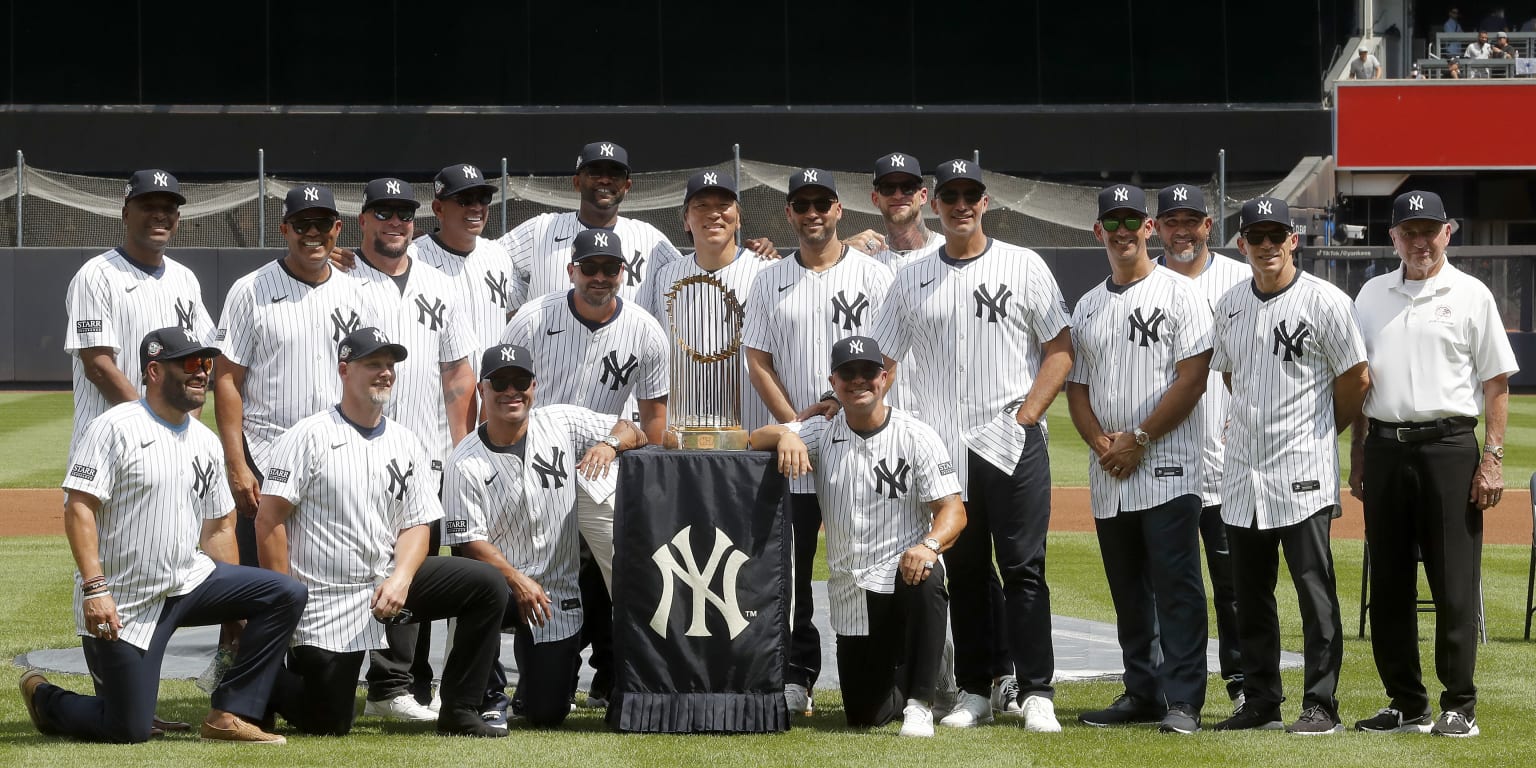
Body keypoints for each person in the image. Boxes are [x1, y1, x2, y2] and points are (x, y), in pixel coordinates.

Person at [21, 327, 306, 745]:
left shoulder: (205, 441)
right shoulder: (113, 428)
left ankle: (229, 712)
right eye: (190, 364)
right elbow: (79, 508)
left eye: (206, 364)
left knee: (285, 593)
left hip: (189, 582)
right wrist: (95, 588)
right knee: (128, 728)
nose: (202, 373)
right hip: (125, 599)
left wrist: (233, 611)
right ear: (154, 371)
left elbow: (220, 526)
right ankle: (45, 698)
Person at [871, 159, 1073, 732]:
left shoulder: (1022, 264)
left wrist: (1028, 415)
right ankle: (976, 691)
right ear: (936, 202)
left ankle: (1036, 691)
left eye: (972, 195)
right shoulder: (909, 279)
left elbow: (1059, 347)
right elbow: (883, 362)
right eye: (952, 195)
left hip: (1009, 441)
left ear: (986, 202)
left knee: (1023, 569)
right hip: (943, 449)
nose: (962, 204)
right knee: (964, 570)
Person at [254, 327, 508, 738]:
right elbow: (269, 520)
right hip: (325, 596)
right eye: (373, 364)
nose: (385, 373)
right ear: (343, 370)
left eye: (389, 365)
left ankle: (461, 709)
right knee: (329, 723)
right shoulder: (307, 435)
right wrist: (285, 603)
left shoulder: (405, 440)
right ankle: (251, 673)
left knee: (486, 585)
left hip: (386, 582)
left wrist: (402, 579)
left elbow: (418, 524)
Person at [1349, 191, 1517, 738]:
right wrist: (1357, 457)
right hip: (1386, 447)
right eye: (1407, 231)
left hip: (1449, 446)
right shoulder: (1371, 295)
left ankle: (1459, 705)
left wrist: (1491, 460)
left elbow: (1495, 384)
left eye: (1429, 230)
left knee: (1453, 581)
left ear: (1449, 231)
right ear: (1392, 237)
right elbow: (1359, 384)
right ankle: (1406, 701)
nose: (1419, 241)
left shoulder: (1471, 294)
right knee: (1391, 582)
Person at [1208, 197, 1370, 735]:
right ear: (1243, 244)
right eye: (1258, 236)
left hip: (1302, 471)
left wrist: (1320, 433)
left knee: (1313, 591)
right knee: (1247, 596)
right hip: (1241, 477)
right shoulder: (1229, 304)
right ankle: (1260, 700)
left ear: (1294, 240)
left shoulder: (1326, 301)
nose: (1268, 244)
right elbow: (1231, 377)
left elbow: (1356, 382)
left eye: (1278, 234)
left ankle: (1320, 703)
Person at [749, 335, 965, 738]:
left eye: (868, 372)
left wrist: (929, 544)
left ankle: (921, 701)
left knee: (928, 575)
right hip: (852, 590)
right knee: (865, 715)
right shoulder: (821, 431)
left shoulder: (916, 435)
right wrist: (787, 434)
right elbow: (754, 438)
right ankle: (927, 667)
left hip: (904, 573)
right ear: (834, 381)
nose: (858, 381)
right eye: (848, 373)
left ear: (884, 378)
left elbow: (953, 509)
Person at [742, 168, 896, 716]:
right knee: (794, 566)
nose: (812, 213)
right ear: (789, 213)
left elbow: (892, 356)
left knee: (875, 554)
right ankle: (798, 674)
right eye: (801, 204)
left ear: (838, 210)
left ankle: (892, 666)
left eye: (822, 203)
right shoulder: (769, 280)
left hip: (863, 439)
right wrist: (794, 427)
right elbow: (757, 359)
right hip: (797, 448)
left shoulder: (875, 276)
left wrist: (862, 411)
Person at [498, 228, 669, 709]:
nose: (599, 277)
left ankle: (623, 682)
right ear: (571, 269)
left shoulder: (644, 328)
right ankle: (535, 683)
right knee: (547, 576)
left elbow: (653, 422)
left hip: (607, 464)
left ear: (623, 273)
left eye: (609, 269)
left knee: (622, 578)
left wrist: (626, 459)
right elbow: (500, 394)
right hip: (537, 467)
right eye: (589, 268)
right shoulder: (533, 318)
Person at [1067, 185, 1212, 735]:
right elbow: (1076, 389)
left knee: (1176, 588)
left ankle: (1184, 700)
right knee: (1129, 592)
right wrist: (1104, 444)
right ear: (1099, 232)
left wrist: (1140, 438)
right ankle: (1142, 691)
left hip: (1169, 465)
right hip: (1110, 475)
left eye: (1133, 221)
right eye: (1113, 222)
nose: (1124, 231)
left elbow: (1192, 379)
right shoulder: (1087, 305)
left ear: (1148, 229)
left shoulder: (1181, 293)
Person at [444, 344, 648, 728]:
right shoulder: (463, 460)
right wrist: (517, 581)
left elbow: (633, 430)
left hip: (557, 591)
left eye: (520, 381)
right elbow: (468, 540)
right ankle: (488, 696)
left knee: (546, 714)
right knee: (476, 591)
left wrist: (609, 444)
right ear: (483, 391)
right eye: (500, 382)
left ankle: (533, 689)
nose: (511, 391)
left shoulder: (562, 422)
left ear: (534, 386)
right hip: (499, 587)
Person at [348, 178, 478, 721]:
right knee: (374, 561)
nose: (394, 221)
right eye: (383, 212)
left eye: (403, 213)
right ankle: (386, 685)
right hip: (364, 450)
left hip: (428, 453)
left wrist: (459, 450)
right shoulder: (342, 278)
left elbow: (457, 374)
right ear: (363, 221)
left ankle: (416, 685)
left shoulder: (440, 283)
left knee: (422, 570)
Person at [215, 184, 373, 567]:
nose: (313, 233)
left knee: (326, 578)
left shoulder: (359, 292)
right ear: (285, 229)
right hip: (265, 455)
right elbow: (226, 380)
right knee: (259, 593)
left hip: (338, 458)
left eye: (322, 223)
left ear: (338, 228)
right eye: (302, 224)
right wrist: (236, 465)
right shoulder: (250, 290)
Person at [1154, 183, 1249, 712]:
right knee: (1167, 587)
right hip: (1165, 463)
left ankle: (1241, 687)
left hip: (1229, 461)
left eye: (1192, 220)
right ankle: (1165, 689)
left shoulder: (1239, 279)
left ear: (1209, 225)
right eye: (1172, 221)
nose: (1182, 230)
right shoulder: (1144, 281)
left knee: (1234, 586)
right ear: (1157, 227)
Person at [65, 170, 216, 452]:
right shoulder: (96, 275)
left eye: (168, 208)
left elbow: (203, 361)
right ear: (125, 214)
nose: (159, 215)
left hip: (174, 445)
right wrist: (152, 425)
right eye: (148, 206)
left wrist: (187, 426)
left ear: (178, 219)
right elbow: (98, 366)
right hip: (109, 443)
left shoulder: (186, 279)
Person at [638, 170, 773, 433]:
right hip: (684, 429)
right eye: (701, 206)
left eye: (724, 205)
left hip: (752, 428)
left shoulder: (767, 270)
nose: (714, 214)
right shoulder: (665, 276)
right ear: (686, 220)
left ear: (738, 219)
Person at [496, 141, 683, 304]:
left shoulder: (649, 238)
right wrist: (518, 300)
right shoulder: (541, 229)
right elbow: (490, 258)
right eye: (595, 173)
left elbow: (684, 277)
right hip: (553, 344)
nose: (605, 180)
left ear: (627, 187)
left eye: (615, 174)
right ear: (577, 183)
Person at [414, 163, 524, 374]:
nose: (476, 207)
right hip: (438, 396)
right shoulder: (413, 258)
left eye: (483, 198)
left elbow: (514, 307)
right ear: (438, 208)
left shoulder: (498, 255)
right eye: (464, 199)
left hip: (493, 391)